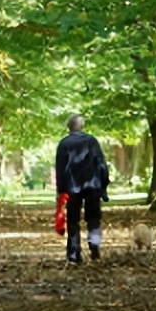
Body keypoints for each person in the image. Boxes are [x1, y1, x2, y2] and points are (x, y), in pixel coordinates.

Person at [55, 113, 109, 263]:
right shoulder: (92, 142)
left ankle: (74, 254)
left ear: (69, 127)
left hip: (72, 188)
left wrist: (60, 192)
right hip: (93, 186)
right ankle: (95, 247)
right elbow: (102, 165)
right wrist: (103, 185)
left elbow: (60, 170)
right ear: (82, 126)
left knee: (73, 220)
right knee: (94, 218)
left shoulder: (64, 144)